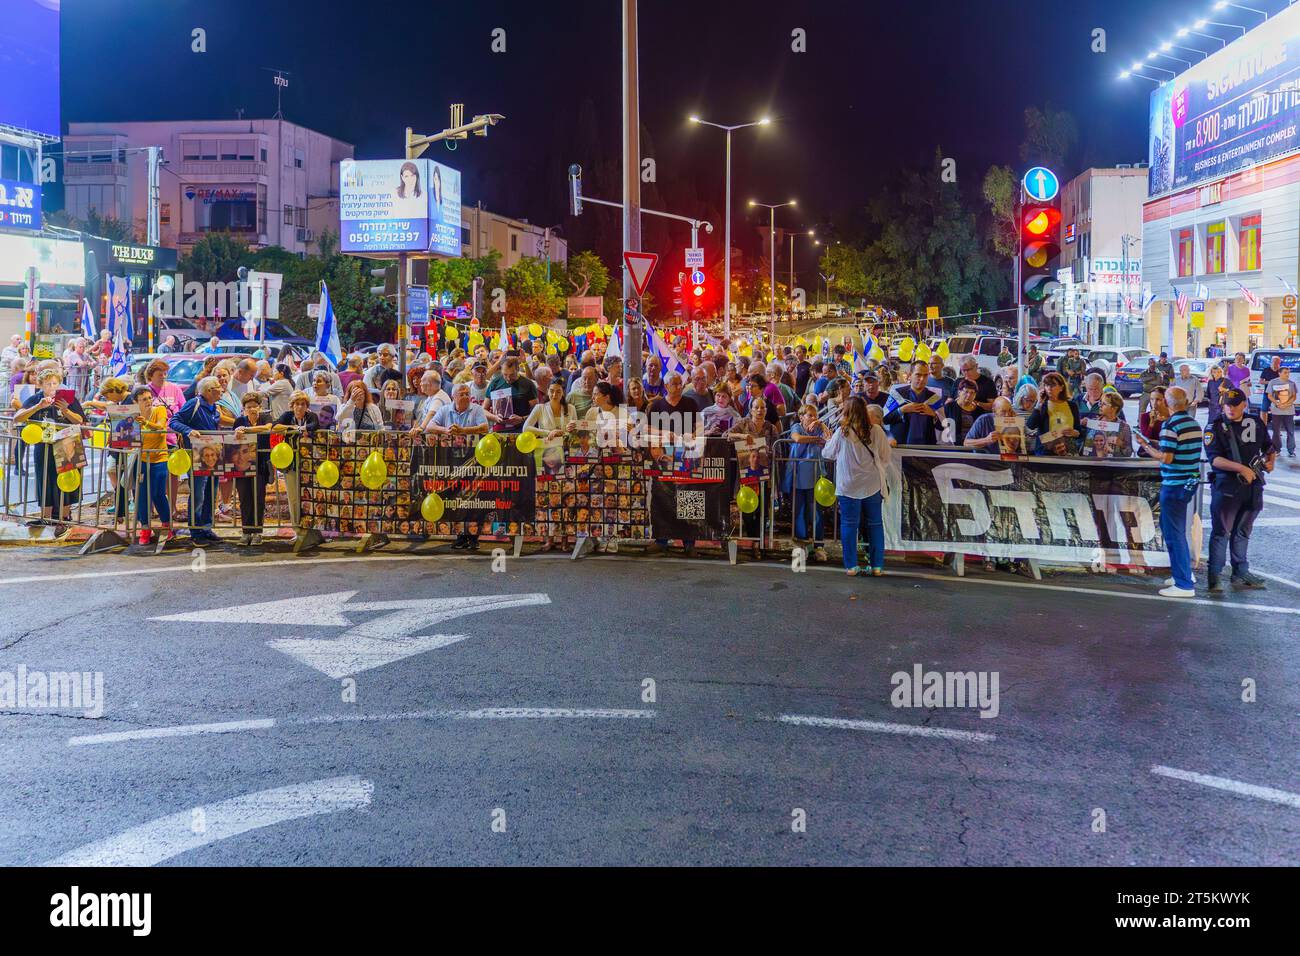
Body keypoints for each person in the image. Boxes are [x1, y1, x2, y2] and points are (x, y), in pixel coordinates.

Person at [1203, 387, 1275, 593]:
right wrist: (1241, 468)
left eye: (1235, 405)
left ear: (1244, 404)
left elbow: (1269, 448)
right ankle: (1215, 576)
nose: (1230, 408)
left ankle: (1240, 572)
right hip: (1227, 487)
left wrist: (1271, 463)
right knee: (1221, 532)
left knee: (1243, 531)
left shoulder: (1256, 422)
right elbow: (1214, 458)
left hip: (1253, 487)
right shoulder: (1214, 427)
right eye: (1227, 405)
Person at [1133, 386, 1202, 598]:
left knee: (1174, 534)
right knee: (1175, 529)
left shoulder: (1170, 425)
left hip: (1174, 484)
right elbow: (1178, 448)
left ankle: (1183, 584)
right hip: (1188, 482)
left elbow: (1166, 457)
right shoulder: (1193, 424)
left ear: (1169, 403)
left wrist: (1146, 446)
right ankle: (1182, 574)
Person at [823, 395, 892, 576]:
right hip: (872, 484)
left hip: (848, 485)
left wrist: (827, 439)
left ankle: (851, 566)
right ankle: (877, 566)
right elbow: (886, 457)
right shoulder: (876, 431)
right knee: (875, 524)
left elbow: (828, 453)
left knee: (849, 525)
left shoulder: (842, 432)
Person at [13, 368, 86, 525]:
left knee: (68, 478)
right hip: (44, 445)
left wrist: (65, 410)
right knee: (44, 479)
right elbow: (17, 418)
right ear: (40, 385)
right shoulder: (35, 399)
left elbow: (80, 420)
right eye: (48, 384)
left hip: (67, 442)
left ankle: (65, 517)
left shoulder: (68, 398)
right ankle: (45, 517)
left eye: (55, 383)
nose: (52, 387)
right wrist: (38, 407)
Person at [428, 383, 491, 551]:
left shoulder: (476, 409)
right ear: (453, 396)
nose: (464, 396)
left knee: (474, 499)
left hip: (474, 462)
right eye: (461, 394)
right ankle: (460, 536)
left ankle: (473, 537)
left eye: (467, 393)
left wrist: (463, 430)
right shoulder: (445, 409)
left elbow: (485, 428)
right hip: (453, 464)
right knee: (456, 499)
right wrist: (446, 430)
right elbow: (430, 426)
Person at [169, 375, 225, 545]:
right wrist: (188, 430)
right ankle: (196, 531)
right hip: (196, 456)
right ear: (209, 391)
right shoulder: (194, 403)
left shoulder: (214, 407)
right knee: (198, 493)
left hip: (213, 455)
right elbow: (174, 421)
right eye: (218, 386)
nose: (221, 389)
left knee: (211, 492)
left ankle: (207, 528)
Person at [787, 403, 829, 563]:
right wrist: (816, 440)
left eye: (815, 415)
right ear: (801, 416)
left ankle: (819, 546)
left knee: (816, 512)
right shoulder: (797, 426)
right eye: (809, 415)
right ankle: (802, 544)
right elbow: (797, 439)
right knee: (799, 511)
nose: (813, 418)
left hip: (816, 476)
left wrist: (822, 424)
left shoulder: (818, 427)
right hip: (798, 476)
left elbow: (829, 437)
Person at [231, 392, 273, 546]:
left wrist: (247, 430)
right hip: (242, 466)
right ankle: (246, 531)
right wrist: (239, 431)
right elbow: (234, 439)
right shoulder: (239, 421)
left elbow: (268, 428)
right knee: (244, 499)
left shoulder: (265, 418)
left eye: (255, 406)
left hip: (260, 464)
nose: (252, 409)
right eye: (249, 407)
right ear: (244, 409)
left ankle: (257, 532)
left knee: (258, 498)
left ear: (260, 407)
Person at [884, 361, 946, 445]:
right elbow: (885, 419)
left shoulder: (934, 397)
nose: (922, 379)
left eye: (925, 375)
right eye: (918, 375)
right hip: (901, 445)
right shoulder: (897, 394)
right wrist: (901, 410)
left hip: (926, 447)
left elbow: (943, 426)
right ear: (910, 375)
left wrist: (933, 414)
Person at [485, 355, 538, 432]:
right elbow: (484, 409)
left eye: (512, 375)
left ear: (518, 369)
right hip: (499, 428)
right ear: (501, 370)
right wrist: (494, 417)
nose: (508, 378)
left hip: (521, 429)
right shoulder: (495, 383)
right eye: (505, 374)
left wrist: (522, 419)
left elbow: (537, 412)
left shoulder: (528, 384)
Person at [1081, 392, 1133, 459]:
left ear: (1114, 408)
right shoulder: (1092, 423)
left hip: (1113, 465)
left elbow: (1128, 453)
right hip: (1091, 463)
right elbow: (1084, 447)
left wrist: (1121, 444)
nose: (1100, 406)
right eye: (1100, 403)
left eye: (1104, 404)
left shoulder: (1124, 427)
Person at [1265, 366, 1296, 457]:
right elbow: (1269, 395)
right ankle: (1276, 449)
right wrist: (1277, 403)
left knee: (1290, 431)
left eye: (1288, 372)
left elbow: (1293, 396)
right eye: (1285, 372)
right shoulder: (1273, 382)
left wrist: (1287, 404)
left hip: (1289, 411)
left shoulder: (1291, 383)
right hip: (1276, 411)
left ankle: (1291, 450)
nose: (1287, 374)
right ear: (1279, 373)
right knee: (1276, 431)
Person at [943, 378, 982, 445]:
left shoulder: (979, 410)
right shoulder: (949, 407)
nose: (969, 395)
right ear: (959, 392)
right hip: (954, 446)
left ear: (975, 395)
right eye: (966, 392)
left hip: (973, 446)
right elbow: (942, 427)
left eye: (972, 393)